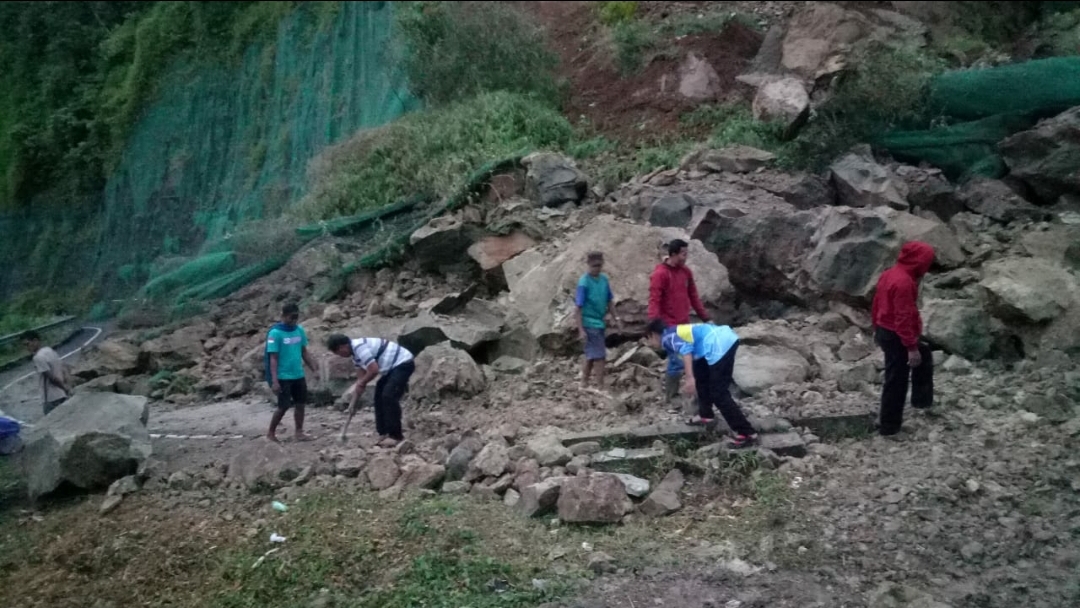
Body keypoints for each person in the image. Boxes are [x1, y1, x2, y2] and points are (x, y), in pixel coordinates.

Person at [645, 319, 757, 448]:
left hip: (718, 344)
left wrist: (689, 378)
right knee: (701, 374)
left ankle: (747, 433)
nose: (650, 344)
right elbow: (681, 358)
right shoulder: (673, 333)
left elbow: (686, 352)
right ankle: (706, 414)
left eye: (649, 339)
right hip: (722, 337)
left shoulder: (668, 338)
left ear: (653, 335)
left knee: (719, 393)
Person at [871, 241, 936, 437]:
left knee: (924, 356)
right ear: (919, 261)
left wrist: (876, 327)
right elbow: (902, 318)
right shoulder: (904, 283)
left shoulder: (890, 273)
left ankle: (921, 402)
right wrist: (911, 347)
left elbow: (876, 304)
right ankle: (889, 428)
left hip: (885, 330)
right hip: (895, 335)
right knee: (896, 380)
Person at [648, 239, 711, 403]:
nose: (686, 257)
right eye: (683, 254)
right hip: (669, 325)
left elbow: (694, 297)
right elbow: (654, 301)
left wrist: (706, 318)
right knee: (676, 360)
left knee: (695, 356)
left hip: (685, 323)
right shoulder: (660, 274)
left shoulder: (686, 273)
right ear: (674, 254)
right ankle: (671, 396)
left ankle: (698, 392)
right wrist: (654, 329)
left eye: (687, 254)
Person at [326, 333, 415, 445]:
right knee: (378, 396)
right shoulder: (355, 356)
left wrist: (362, 382)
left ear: (342, 347)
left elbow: (373, 370)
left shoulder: (359, 348)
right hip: (391, 369)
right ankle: (383, 433)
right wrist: (354, 401)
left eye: (338, 352)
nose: (340, 355)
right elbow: (361, 379)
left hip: (403, 363)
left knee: (388, 395)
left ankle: (396, 436)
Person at [264, 303, 318, 443]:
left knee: (300, 404)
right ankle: (271, 433)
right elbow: (273, 358)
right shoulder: (275, 333)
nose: (293, 321)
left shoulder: (299, 330)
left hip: (298, 374)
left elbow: (304, 351)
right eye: (291, 317)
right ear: (283, 316)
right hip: (283, 376)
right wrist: (274, 381)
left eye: (296, 317)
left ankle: (299, 432)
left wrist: (313, 368)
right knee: (283, 406)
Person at [575, 251, 622, 391]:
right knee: (600, 355)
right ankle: (600, 386)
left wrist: (617, 318)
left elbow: (610, 301)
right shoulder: (584, 283)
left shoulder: (604, 280)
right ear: (588, 264)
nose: (597, 268)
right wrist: (580, 329)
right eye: (594, 266)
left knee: (591, 354)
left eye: (599, 265)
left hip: (599, 322)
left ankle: (584, 383)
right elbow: (578, 308)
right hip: (589, 322)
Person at [22, 330, 70, 416]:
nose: (27, 348)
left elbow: (51, 378)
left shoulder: (37, 358)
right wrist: (66, 386)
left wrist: (64, 388)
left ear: (35, 341)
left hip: (50, 398)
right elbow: (62, 367)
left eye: (27, 344)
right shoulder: (49, 350)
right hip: (61, 394)